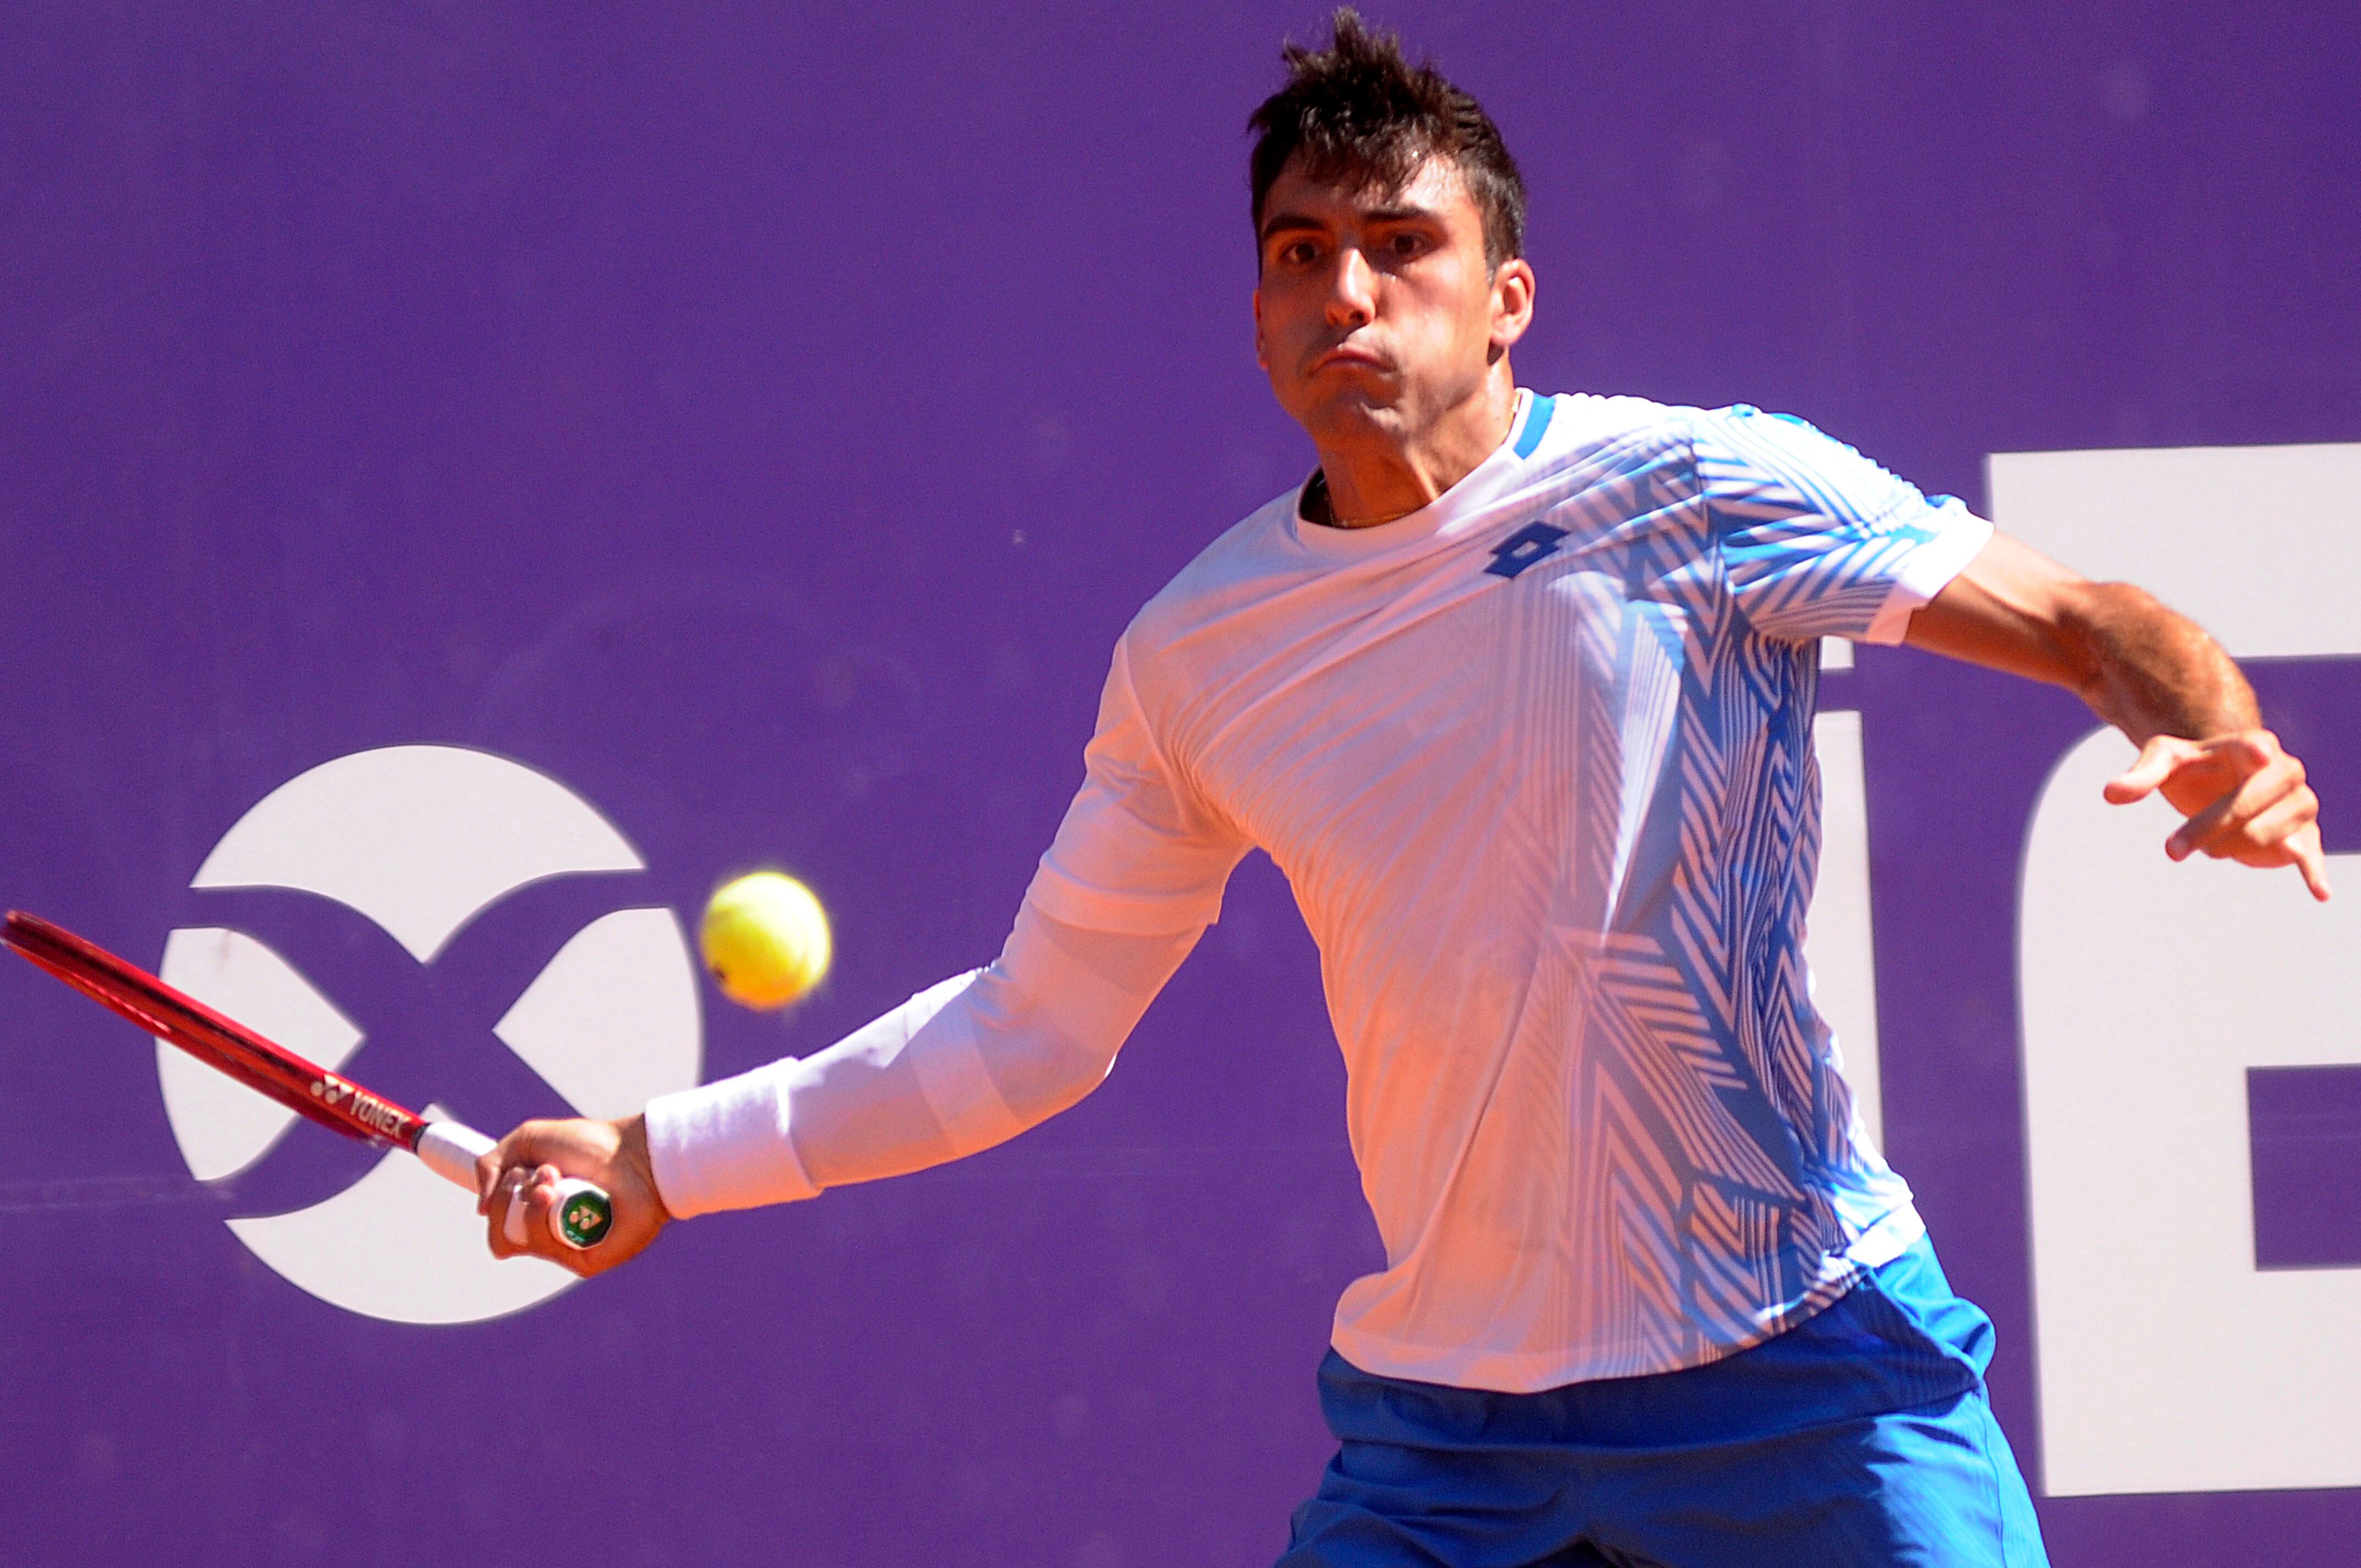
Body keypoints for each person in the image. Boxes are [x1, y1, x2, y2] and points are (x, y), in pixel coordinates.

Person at [475, 14, 2327, 1566]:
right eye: (1298, 253)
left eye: (1399, 245)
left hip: (1807, 1374)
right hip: (1454, 1450)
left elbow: (2090, 619)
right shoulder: (1199, 657)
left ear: (1508, 295)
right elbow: (1030, 1033)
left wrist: (2206, 739)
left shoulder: (1695, 490)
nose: (1344, 293)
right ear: (1259, 306)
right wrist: (660, 1159)